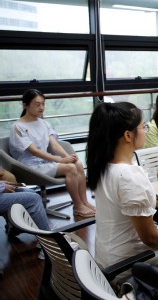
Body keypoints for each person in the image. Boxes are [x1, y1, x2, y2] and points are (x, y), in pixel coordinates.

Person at [87, 102, 158, 271]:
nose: (146, 131)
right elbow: (151, 239)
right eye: (143, 126)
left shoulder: (103, 166)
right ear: (128, 135)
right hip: (129, 264)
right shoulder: (129, 176)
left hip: (107, 258)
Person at [9, 89, 95, 218]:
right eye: (37, 104)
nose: (41, 107)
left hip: (44, 162)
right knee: (70, 168)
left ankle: (84, 202)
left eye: (43, 104)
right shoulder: (18, 126)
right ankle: (77, 206)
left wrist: (67, 156)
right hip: (29, 166)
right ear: (25, 105)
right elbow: (34, 151)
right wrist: (59, 160)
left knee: (77, 164)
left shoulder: (44, 123)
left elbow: (54, 144)